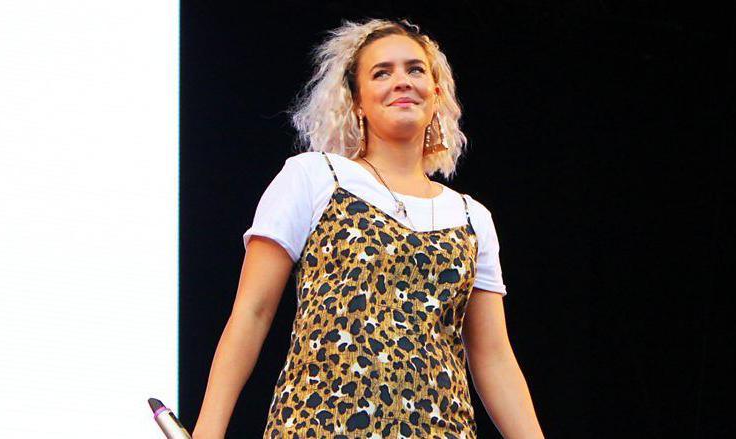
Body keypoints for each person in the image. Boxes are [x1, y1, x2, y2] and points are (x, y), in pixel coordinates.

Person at [192, 18, 544, 439]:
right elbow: (252, 312)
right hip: (322, 425)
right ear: (356, 101)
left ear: (436, 93)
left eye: (415, 69)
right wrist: (206, 432)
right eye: (382, 72)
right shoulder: (315, 176)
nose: (402, 81)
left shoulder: (471, 217)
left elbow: (493, 358)